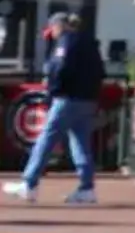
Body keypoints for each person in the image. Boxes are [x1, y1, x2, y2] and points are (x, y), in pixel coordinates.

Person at [6, 13, 105, 205]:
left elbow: (60, 68)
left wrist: (53, 90)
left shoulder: (66, 41)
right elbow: (100, 72)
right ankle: (87, 187)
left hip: (68, 98)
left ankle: (29, 183)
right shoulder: (90, 43)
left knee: (46, 139)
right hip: (87, 99)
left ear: (58, 26)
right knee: (81, 143)